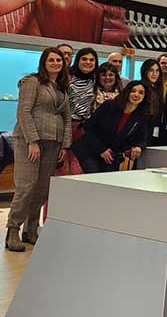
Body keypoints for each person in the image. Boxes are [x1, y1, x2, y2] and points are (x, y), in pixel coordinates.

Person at [6, 47, 71, 252]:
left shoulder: (62, 87)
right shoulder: (32, 82)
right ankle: (12, 230)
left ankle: (31, 230)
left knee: (42, 188)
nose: (55, 63)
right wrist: (32, 141)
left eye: (58, 60)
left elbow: (66, 118)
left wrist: (65, 144)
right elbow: (23, 112)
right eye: (51, 60)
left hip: (53, 142)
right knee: (26, 186)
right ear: (44, 62)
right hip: (30, 141)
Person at [72, 81, 149, 173]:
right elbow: (88, 127)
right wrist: (101, 150)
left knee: (107, 179)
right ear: (127, 92)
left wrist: (139, 147)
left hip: (111, 156)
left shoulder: (141, 116)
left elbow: (142, 139)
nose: (136, 95)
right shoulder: (109, 105)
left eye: (141, 93)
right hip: (90, 149)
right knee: (94, 177)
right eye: (133, 91)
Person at [60, 47, 99, 176]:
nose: (88, 62)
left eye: (91, 60)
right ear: (78, 60)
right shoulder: (66, 76)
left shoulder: (95, 79)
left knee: (79, 166)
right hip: (65, 125)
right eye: (84, 59)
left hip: (84, 129)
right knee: (61, 163)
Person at [139, 59, 164, 146]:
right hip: (141, 129)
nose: (154, 74)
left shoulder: (158, 88)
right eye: (151, 70)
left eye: (157, 71)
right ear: (145, 71)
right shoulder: (140, 87)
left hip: (155, 128)